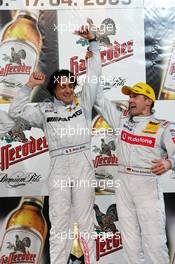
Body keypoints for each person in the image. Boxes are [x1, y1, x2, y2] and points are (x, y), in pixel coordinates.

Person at [8, 27, 101, 264]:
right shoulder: (44, 110)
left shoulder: (84, 102)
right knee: (59, 223)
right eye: (63, 86)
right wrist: (28, 86)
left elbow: (95, 77)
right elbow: (16, 111)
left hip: (82, 164)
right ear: (54, 90)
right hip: (58, 165)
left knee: (86, 222)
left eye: (71, 85)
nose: (68, 89)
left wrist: (93, 44)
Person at [94, 82, 174, 263]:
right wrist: (95, 55)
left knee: (154, 240)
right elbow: (99, 99)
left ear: (148, 101)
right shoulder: (120, 120)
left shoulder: (163, 127)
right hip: (123, 181)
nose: (130, 100)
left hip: (146, 183)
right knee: (129, 241)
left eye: (135, 96)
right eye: (129, 96)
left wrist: (169, 162)